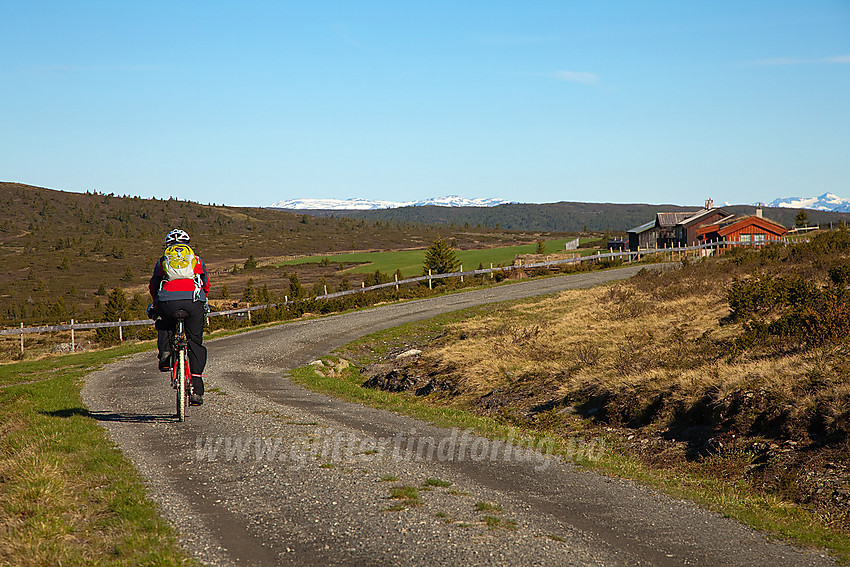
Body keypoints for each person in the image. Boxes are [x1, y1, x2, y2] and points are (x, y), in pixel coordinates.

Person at [148, 228, 210, 405]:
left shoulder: (163, 261)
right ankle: (197, 390)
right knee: (195, 343)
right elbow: (205, 283)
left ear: (168, 245)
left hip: (168, 302)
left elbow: (154, 285)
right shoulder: (196, 260)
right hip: (193, 302)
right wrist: (203, 301)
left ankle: (166, 352)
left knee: (164, 322)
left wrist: (156, 303)